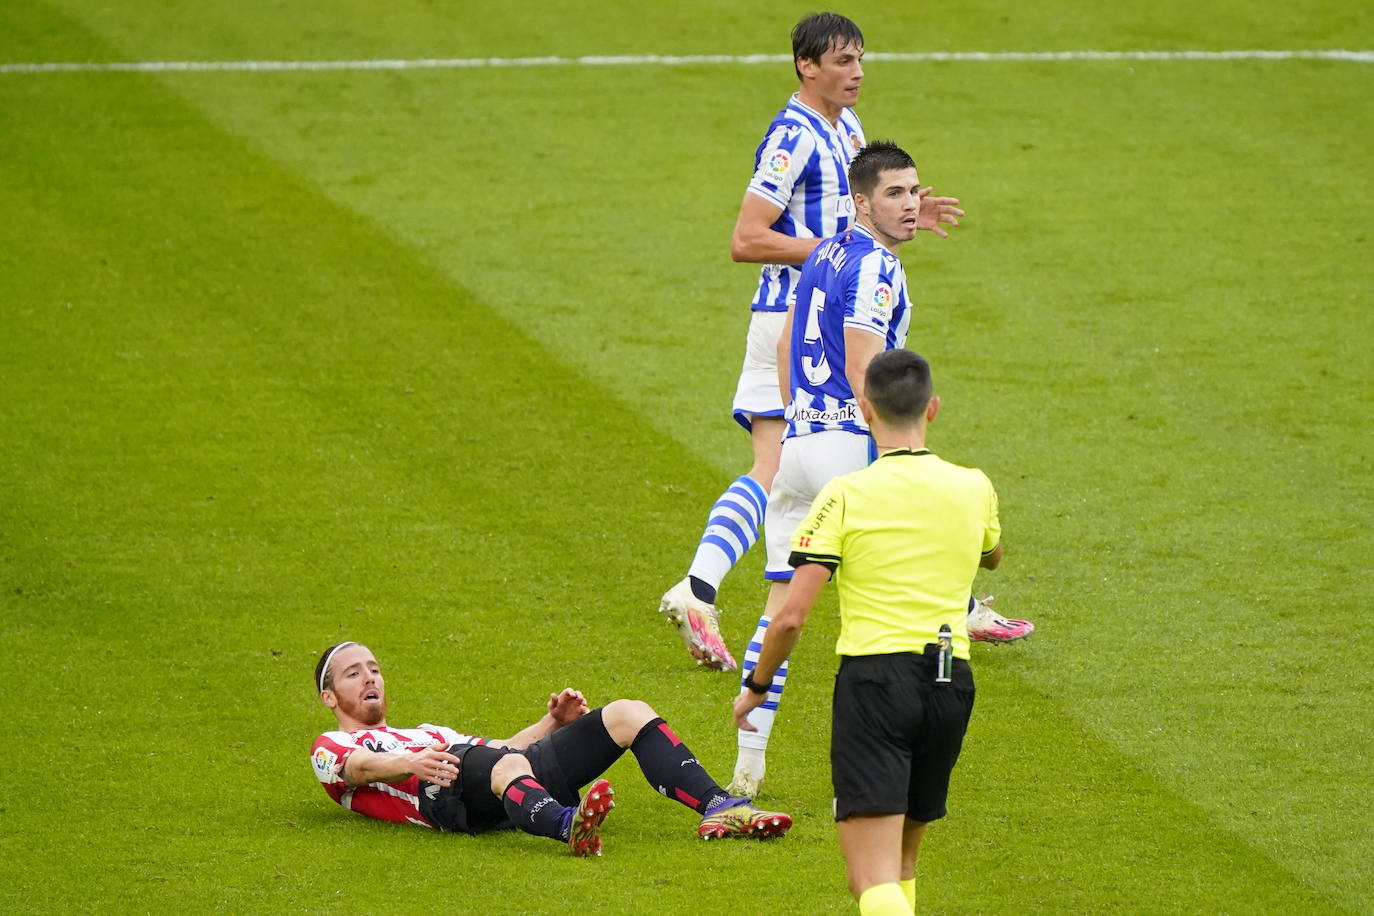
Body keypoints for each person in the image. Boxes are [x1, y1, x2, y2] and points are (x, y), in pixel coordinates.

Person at [657, 14, 985, 672]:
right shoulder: (792, 136)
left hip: (819, 311)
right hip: (794, 316)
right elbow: (746, 238)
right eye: (842, 61)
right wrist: (843, 255)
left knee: (784, 471)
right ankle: (958, 606)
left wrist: (909, 207)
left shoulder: (848, 126)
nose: (857, 71)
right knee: (846, 459)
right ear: (807, 66)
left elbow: (855, 206)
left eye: (861, 58)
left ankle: (698, 591)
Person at [729, 139, 971, 795]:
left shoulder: (826, 252)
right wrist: (889, 436)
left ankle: (747, 770)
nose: (912, 204)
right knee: (891, 605)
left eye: (914, 191)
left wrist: (798, 414)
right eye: (895, 193)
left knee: (781, 603)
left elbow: (786, 341)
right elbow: (865, 363)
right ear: (862, 201)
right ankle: (963, 622)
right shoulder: (875, 267)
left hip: (800, 450)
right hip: (848, 446)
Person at [734, 349, 999, 914]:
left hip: (877, 685)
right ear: (933, 409)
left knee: (869, 879)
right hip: (951, 684)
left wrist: (756, 686)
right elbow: (992, 553)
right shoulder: (974, 485)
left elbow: (791, 616)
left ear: (862, 408)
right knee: (901, 868)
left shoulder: (846, 495)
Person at [310, 641, 791, 856]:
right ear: (330, 697)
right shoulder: (332, 744)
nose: (370, 677)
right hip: (437, 801)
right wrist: (407, 764)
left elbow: (500, 749)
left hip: (495, 783)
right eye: (354, 673)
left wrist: (551, 722)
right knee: (498, 763)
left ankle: (719, 807)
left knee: (626, 711)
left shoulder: (427, 731)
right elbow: (355, 770)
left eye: (373, 668)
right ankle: (569, 826)